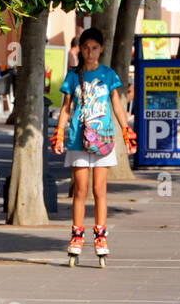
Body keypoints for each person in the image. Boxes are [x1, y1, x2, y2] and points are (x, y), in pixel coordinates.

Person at [50, 26, 136, 265]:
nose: (90, 53)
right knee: (80, 189)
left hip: (104, 140)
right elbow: (66, 108)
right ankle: (77, 235)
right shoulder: (72, 77)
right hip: (78, 138)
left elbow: (117, 105)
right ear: (80, 49)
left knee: (100, 190)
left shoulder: (108, 75)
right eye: (86, 48)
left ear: (101, 49)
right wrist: (58, 132)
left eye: (94, 48)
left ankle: (100, 235)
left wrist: (126, 130)